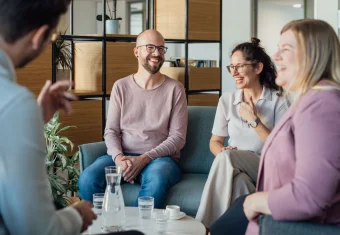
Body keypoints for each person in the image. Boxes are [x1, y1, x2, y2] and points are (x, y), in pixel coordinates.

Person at [210, 19, 340, 235]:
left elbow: (310, 196)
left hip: (285, 218)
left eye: (285, 49)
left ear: (312, 54)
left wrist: (255, 202)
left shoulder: (323, 106)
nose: (276, 56)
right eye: (277, 49)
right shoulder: (311, 100)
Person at [0, 0, 98, 234]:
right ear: (40, 35)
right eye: (52, 38)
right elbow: (39, 230)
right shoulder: (14, 102)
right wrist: (77, 214)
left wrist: (34, 118)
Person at [78, 29, 188, 209]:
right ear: (136, 51)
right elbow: (111, 131)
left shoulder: (175, 89)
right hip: (123, 155)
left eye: (161, 48)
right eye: (150, 47)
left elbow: (177, 138)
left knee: (157, 180)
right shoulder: (120, 87)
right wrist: (119, 158)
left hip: (160, 160)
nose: (157, 53)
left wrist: (144, 158)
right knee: (87, 179)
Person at [195, 38, 289, 228]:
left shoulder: (278, 101)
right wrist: (224, 154)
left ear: (258, 68)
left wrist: (254, 120)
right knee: (239, 183)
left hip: (268, 166)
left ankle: (202, 227)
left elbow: (282, 149)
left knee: (228, 158)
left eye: (240, 66)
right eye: (231, 67)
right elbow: (215, 141)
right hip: (236, 167)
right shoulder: (227, 101)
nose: (234, 72)